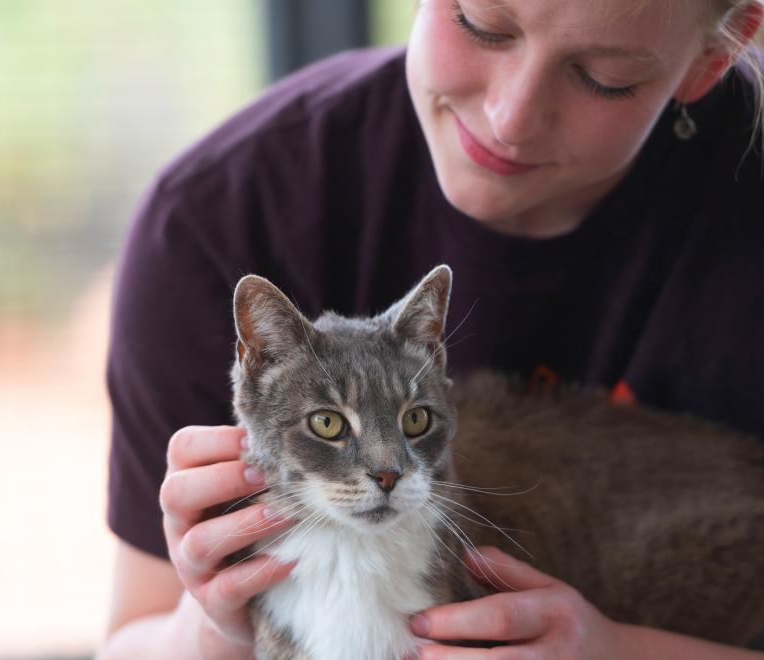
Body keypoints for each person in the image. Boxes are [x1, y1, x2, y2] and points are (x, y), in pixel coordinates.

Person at [97, 0, 764, 657]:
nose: (510, 119)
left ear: (708, 62)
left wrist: (627, 653)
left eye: (603, 76)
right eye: (482, 26)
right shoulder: (216, 212)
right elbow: (128, 642)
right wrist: (219, 622)